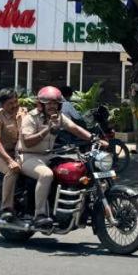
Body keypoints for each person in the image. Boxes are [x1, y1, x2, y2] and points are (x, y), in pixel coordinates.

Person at [18, 85, 96, 229]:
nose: (52, 106)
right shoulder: (31, 118)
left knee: (75, 168)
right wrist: (47, 128)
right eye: (48, 103)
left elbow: (74, 128)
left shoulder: (58, 117)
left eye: (55, 103)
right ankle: (39, 215)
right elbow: (27, 142)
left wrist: (94, 138)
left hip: (49, 155)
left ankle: (74, 209)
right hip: (28, 156)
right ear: (41, 105)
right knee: (46, 175)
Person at [0, 89, 24, 221]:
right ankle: (6, 208)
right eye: (10, 103)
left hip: (22, 153)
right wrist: (10, 161)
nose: (15, 105)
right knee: (12, 170)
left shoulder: (24, 113)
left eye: (16, 101)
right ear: (2, 105)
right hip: (1, 155)